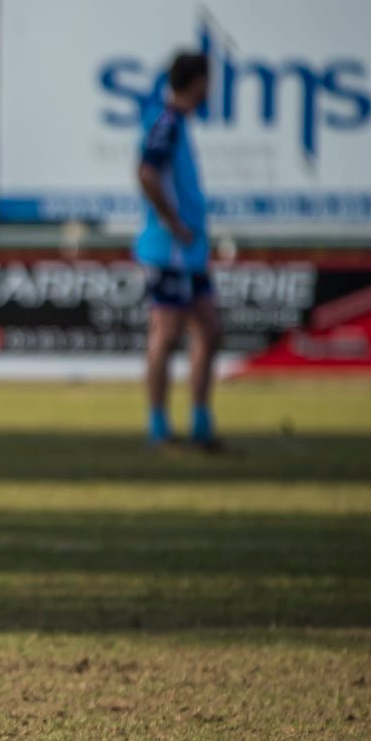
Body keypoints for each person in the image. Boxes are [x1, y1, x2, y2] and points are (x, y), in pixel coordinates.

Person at [134, 50, 220, 451]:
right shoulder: (166, 122)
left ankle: (201, 422)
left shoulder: (179, 123)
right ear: (198, 82)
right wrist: (173, 222)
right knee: (166, 334)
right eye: (208, 81)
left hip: (190, 250)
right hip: (170, 250)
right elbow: (147, 173)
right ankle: (158, 424)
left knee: (210, 329)